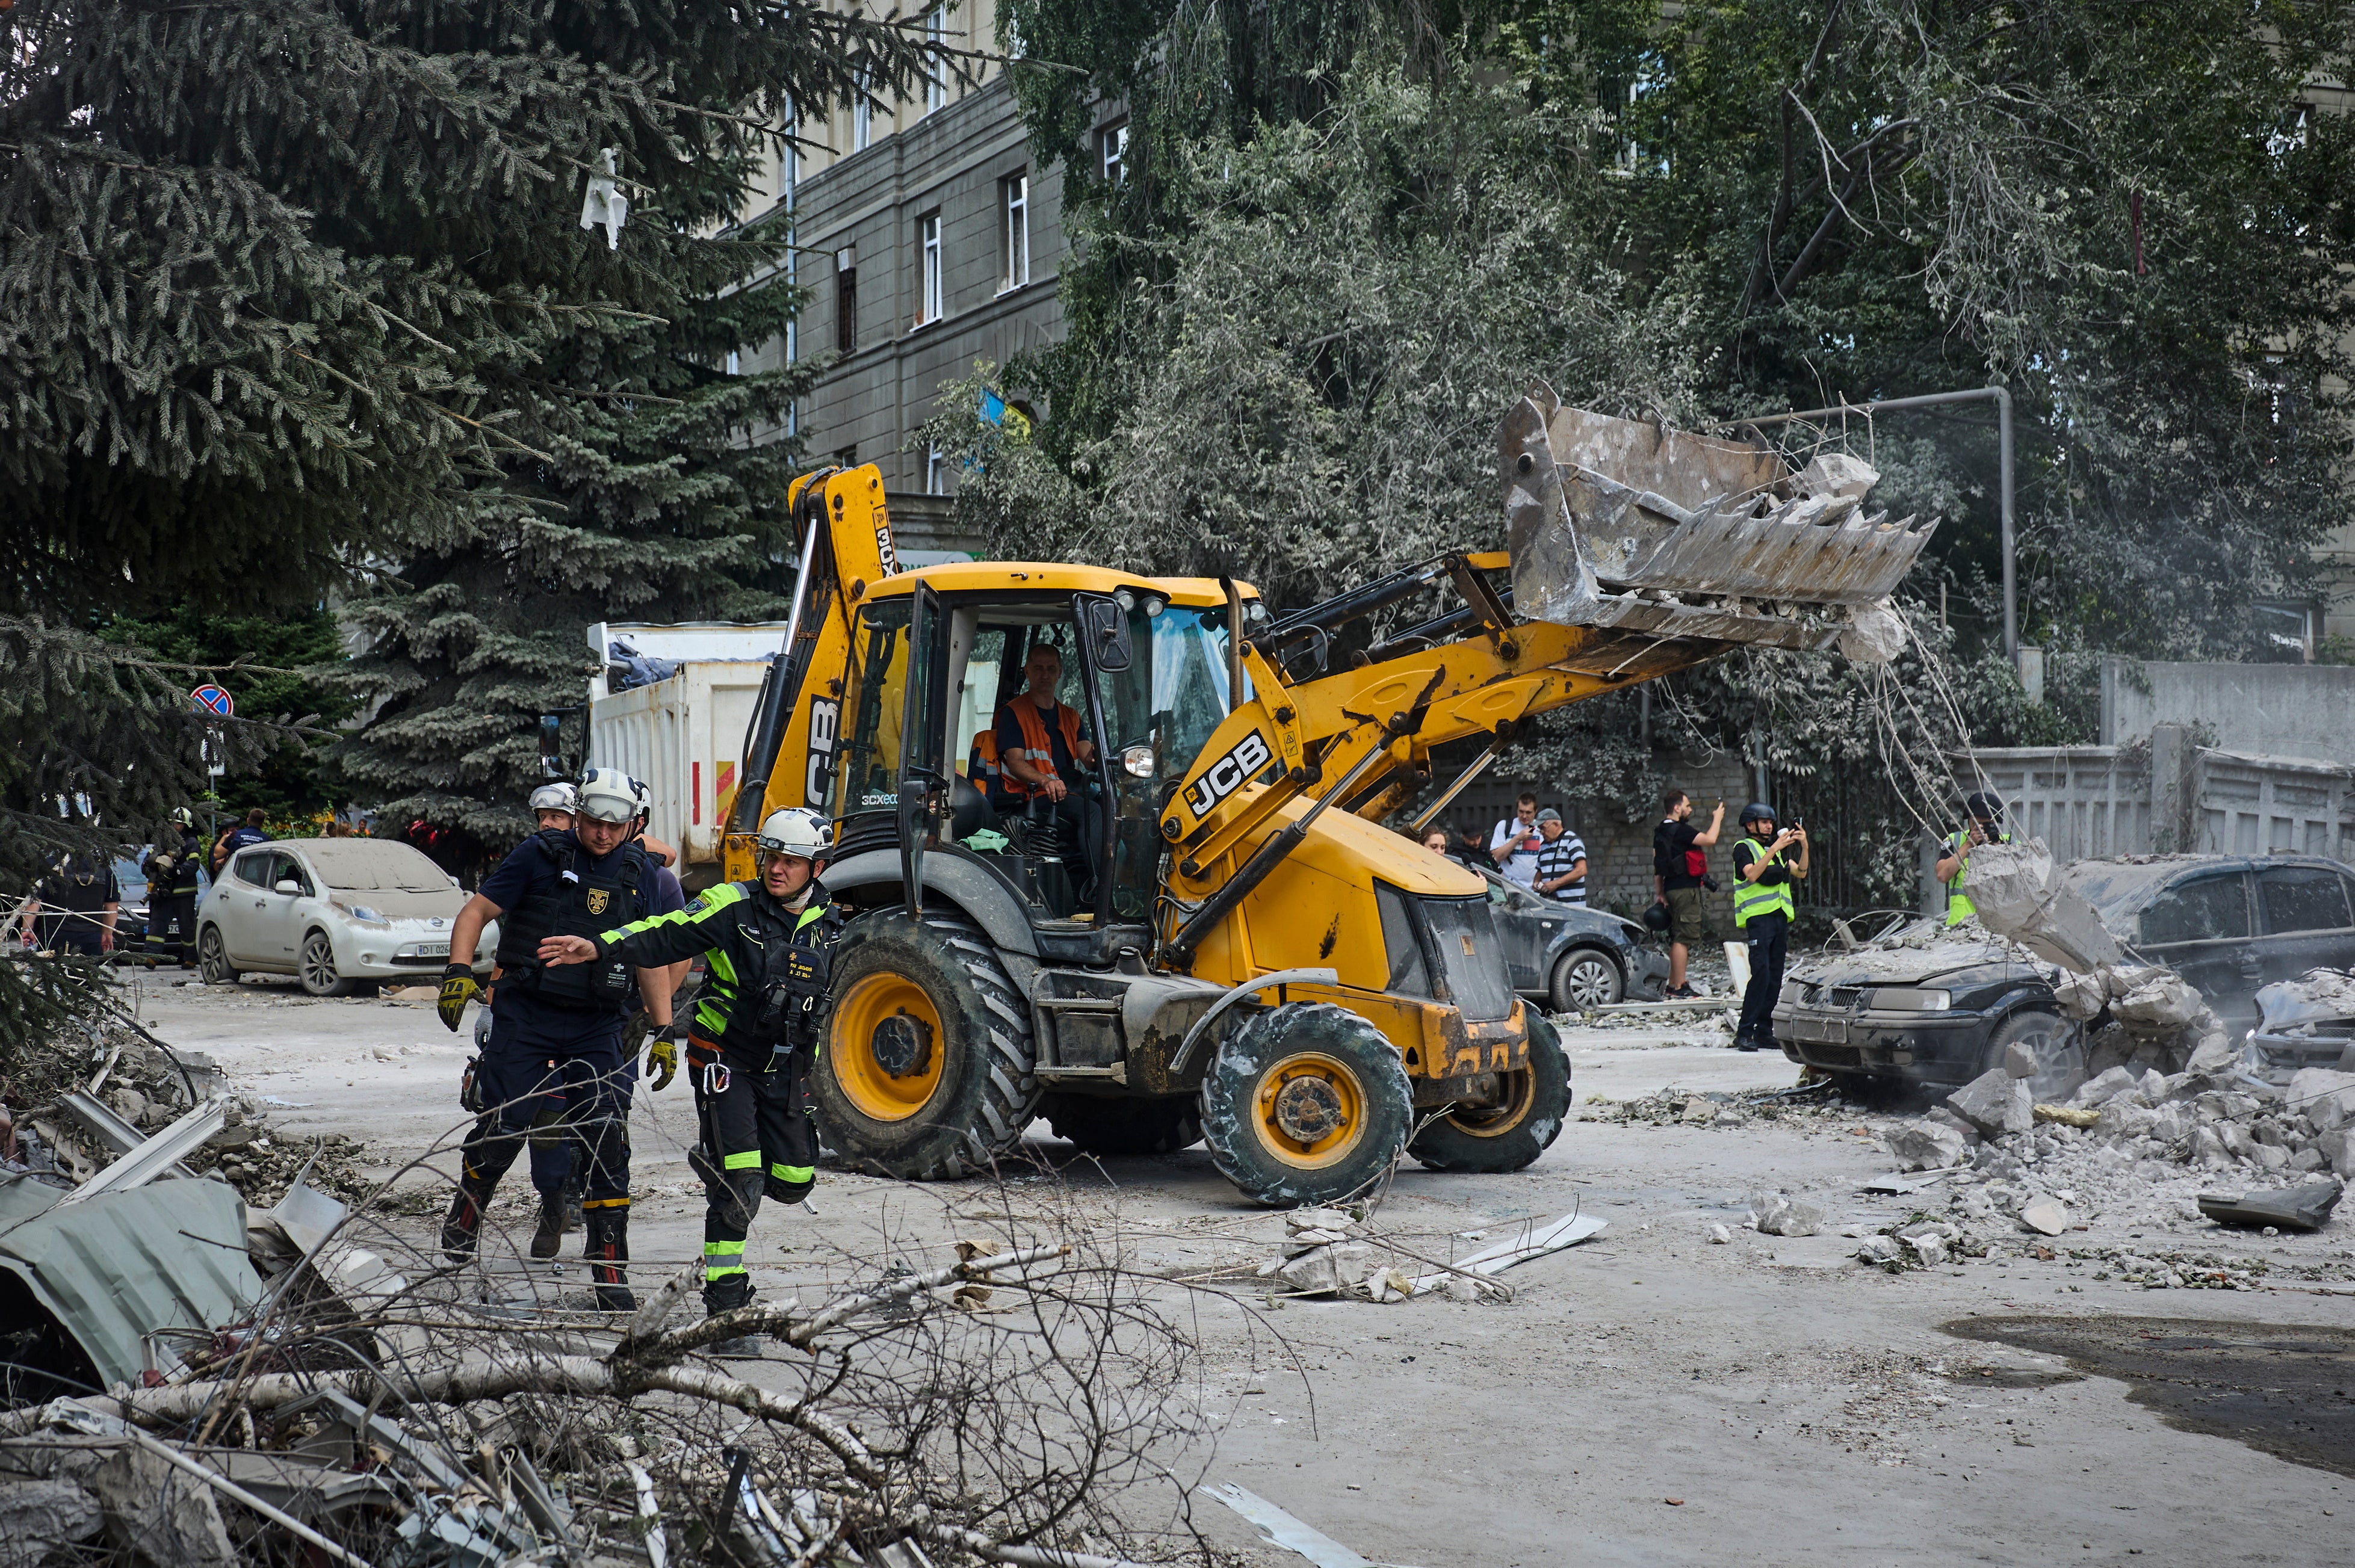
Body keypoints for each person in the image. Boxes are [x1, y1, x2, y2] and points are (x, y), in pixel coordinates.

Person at [538, 807, 841, 1354]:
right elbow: (663, 933)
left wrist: (811, 1075)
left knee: (794, 1182)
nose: (776, 869)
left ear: (816, 867)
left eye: (791, 862)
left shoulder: (829, 923)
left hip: (784, 1071)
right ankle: (725, 1308)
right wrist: (601, 945)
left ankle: (717, 1158)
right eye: (770, 857)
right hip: (724, 1058)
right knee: (740, 1186)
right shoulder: (731, 905)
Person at [435, 768, 681, 1307]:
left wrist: (663, 1029)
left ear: (636, 823)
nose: (602, 835)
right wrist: (458, 971)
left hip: (598, 1024)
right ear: (579, 816)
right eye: (593, 822)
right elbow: (476, 910)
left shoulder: (644, 877)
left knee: (606, 1142)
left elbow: (649, 957)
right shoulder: (539, 856)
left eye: (616, 826)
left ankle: (609, 1273)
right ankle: (467, 1212)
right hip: (528, 1013)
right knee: (504, 1125)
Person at [993, 642, 1098, 881]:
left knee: (1115, 806)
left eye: (1051, 668)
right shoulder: (1014, 713)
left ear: (1060, 672)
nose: (1045, 674)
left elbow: (1087, 758)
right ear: (1026, 671)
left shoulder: (1070, 716)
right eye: (1038, 668)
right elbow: (1016, 762)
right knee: (1091, 812)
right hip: (1034, 796)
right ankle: (1101, 884)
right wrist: (1046, 781)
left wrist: (1102, 756)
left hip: (1066, 790)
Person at [1730, 802, 1808, 1052]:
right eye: (1764, 822)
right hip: (1758, 920)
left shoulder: (1778, 852)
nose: (1770, 826)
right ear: (1750, 824)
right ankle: (1744, 1033)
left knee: (1774, 977)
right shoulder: (1743, 848)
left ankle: (1764, 1031)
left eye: (1771, 822)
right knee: (1761, 974)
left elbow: (1802, 872)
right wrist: (1774, 847)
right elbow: (1752, 874)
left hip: (1779, 918)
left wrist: (1803, 845)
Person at [1652, 790, 1724, 999]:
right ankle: (1679, 986)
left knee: (1677, 936)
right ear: (1677, 808)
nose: (1690, 809)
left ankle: (1673, 983)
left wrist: (1660, 892)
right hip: (1685, 890)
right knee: (1683, 938)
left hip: (1671, 888)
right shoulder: (1680, 830)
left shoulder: (1660, 831)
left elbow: (1656, 863)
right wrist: (1717, 818)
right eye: (1688, 805)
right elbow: (1710, 840)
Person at [20, 851, 120, 956]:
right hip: (91, 936)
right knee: (88, 970)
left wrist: (27, 928)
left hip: (55, 933)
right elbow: (112, 906)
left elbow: (34, 899)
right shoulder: (104, 869)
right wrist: (108, 933)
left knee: (51, 969)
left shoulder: (52, 864)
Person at [1937, 791, 2013, 927]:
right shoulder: (1956, 840)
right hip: (1960, 927)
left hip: (1997, 927)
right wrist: (1969, 844)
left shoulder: (2010, 843)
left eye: (1987, 824)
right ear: (1969, 822)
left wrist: (1998, 848)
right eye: (1977, 824)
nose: (1981, 829)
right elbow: (1942, 875)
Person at [143, 807, 205, 965]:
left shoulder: (191, 843)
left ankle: (191, 958)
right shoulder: (162, 843)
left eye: (179, 823)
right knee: (157, 924)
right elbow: (147, 862)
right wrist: (152, 868)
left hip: (184, 894)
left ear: (186, 825)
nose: (175, 826)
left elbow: (194, 864)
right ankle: (151, 957)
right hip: (163, 893)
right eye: (173, 822)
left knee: (187, 928)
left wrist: (176, 870)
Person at [1532, 809, 1588, 905]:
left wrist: (1556, 884)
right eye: (1539, 829)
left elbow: (1582, 870)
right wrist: (1536, 883)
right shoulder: (1543, 846)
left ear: (1556, 824)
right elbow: (1540, 871)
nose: (1541, 832)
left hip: (1572, 905)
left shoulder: (1571, 840)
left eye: (1543, 828)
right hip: (1550, 905)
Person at [1488, 792, 1544, 889]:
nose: (1524, 816)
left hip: (1535, 889)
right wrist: (1517, 838)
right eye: (1521, 812)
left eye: (1528, 812)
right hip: (1509, 886)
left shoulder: (1542, 828)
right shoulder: (1505, 826)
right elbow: (1496, 857)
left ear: (1536, 811)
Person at [210, 807, 272, 876]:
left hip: (236, 877)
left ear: (248, 820)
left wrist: (224, 837)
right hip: (258, 879)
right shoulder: (267, 840)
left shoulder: (236, 835)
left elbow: (217, 854)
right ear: (262, 823)